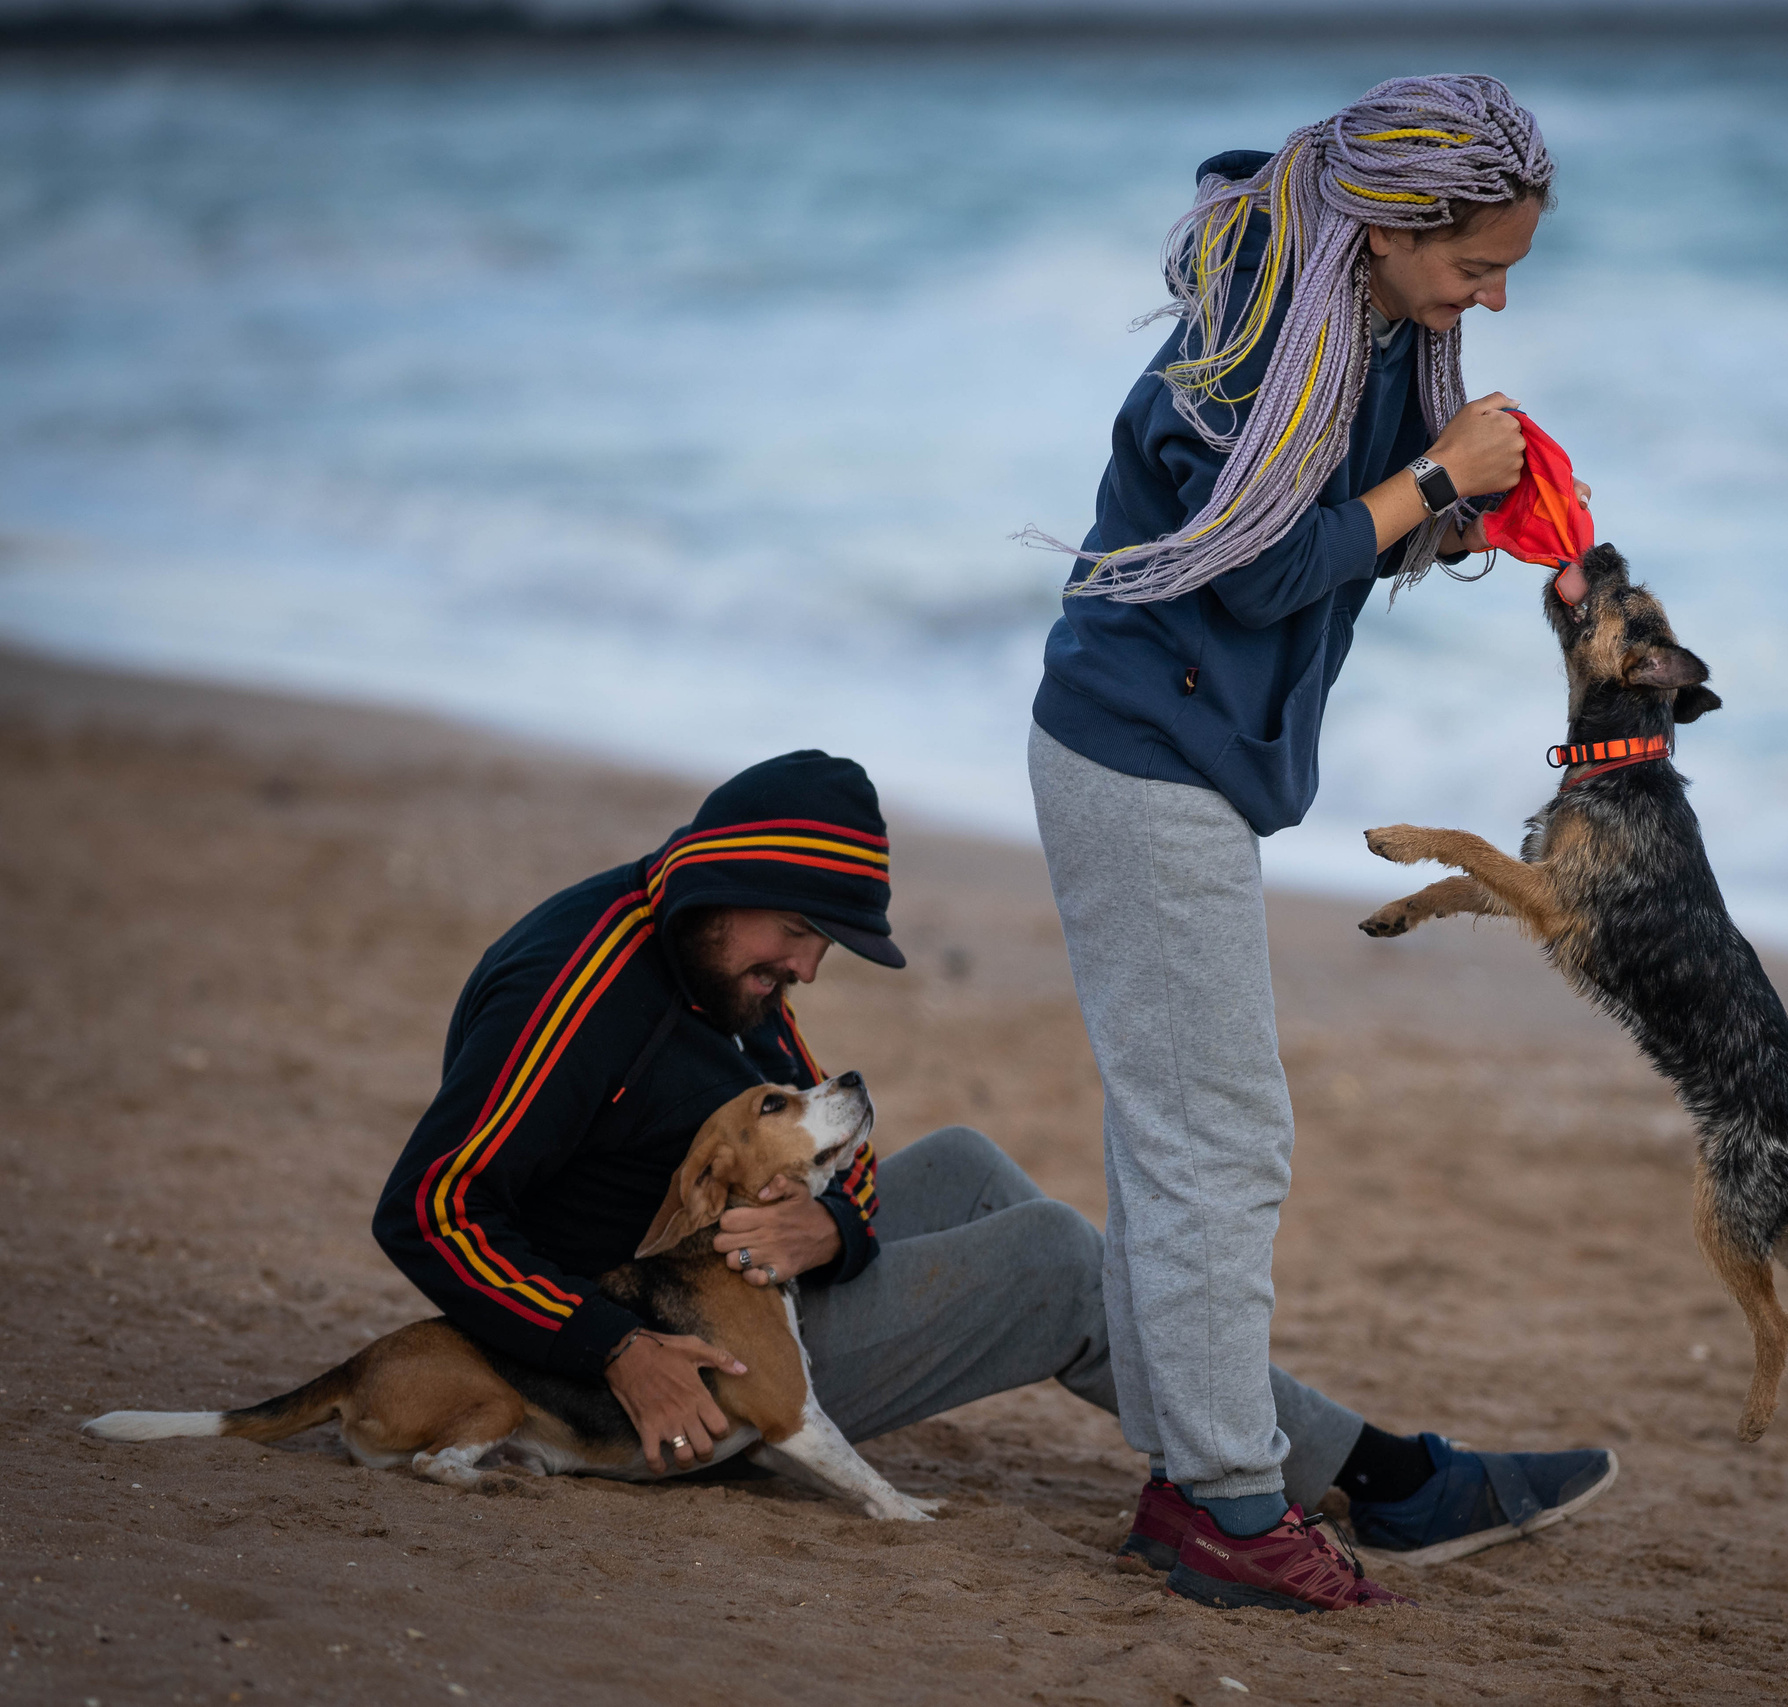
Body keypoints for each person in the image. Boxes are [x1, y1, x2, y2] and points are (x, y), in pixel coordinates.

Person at [373, 751, 1612, 1614]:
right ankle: (1378, 1479)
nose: (802, 969)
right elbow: (429, 1208)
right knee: (1054, 1263)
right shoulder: (576, 993)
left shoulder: (719, 971)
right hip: (659, 1378)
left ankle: (1300, 1457)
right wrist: (612, 1351)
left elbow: (841, 1153)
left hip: (722, 1289)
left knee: (964, 1166)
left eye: (821, 948)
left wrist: (831, 1234)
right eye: (797, 935)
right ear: (724, 885)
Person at [1025, 75, 1612, 1613]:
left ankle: (1191, 1475)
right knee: (1220, 1138)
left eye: (1508, 272)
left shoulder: (1357, 318)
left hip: (1172, 754)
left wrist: (1488, 515)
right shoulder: (1248, 335)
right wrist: (1437, 477)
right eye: (1475, 265)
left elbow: (1334, 530)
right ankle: (1221, 1500)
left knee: (1177, 1135)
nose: (1487, 296)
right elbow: (1263, 569)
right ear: (1393, 224)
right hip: (1142, 760)